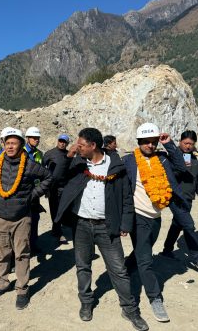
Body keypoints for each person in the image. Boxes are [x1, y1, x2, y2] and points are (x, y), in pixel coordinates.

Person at [55, 128, 148, 331]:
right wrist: (69, 155)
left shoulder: (115, 166)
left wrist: (125, 224)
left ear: (93, 146)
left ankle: (129, 309)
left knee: (119, 270)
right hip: (81, 225)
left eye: (81, 145)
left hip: (108, 227)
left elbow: (126, 198)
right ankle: (86, 302)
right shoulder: (78, 164)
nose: (77, 148)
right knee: (83, 266)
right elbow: (57, 177)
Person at [123, 123, 198, 323]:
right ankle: (155, 297)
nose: (150, 145)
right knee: (146, 260)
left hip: (155, 218)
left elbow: (182, 168)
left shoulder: (163, 159)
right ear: (138, 142)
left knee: (143, 249)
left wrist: (170, 145)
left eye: (153, 142)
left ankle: (124, 267)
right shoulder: (129, 161)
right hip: (137, 217)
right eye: (146, 142)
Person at [0, 128, 52, 310]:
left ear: (21, 144)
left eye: (14, 143)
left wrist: (32, 195)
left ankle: (22, 289)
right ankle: (1, 283)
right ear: (3, 144)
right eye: (7, 143)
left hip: (21, 218)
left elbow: (48, 177)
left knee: (22, 254)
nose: (10, 146)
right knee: (2, 253)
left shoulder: (29, 165)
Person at [160, 130, 198, 262]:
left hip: (188, 197)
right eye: (186, 143)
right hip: (176, 197)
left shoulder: (194, 158)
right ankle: (195, 256)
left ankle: (167, 250)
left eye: (191, 144)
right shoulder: (174, 156)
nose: (188, 146)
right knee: (189, 226)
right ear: (180, 142)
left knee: (177, 224)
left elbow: (195, 179)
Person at [42, 134, 70, 242]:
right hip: (53, 187)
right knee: (55, 209)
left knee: (64, 209)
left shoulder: (69, 155)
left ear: (67, 143)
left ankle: (57, 228)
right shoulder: (49, 154)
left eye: (64, 142)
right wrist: (45, 188)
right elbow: (43, 170)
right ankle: (57, 232)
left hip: (65, 187)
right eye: (60, 141)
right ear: (57, 141)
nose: (62, 143)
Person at [24, 126, 44, 253]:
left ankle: (33, 243)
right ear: (27, 139)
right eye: (34, 138)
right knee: (24, 221)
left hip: (35, 191)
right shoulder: (21, 152)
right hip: (23, 191)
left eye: (38, 138)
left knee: (35, 219)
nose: (36, 140)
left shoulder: (39, 154)